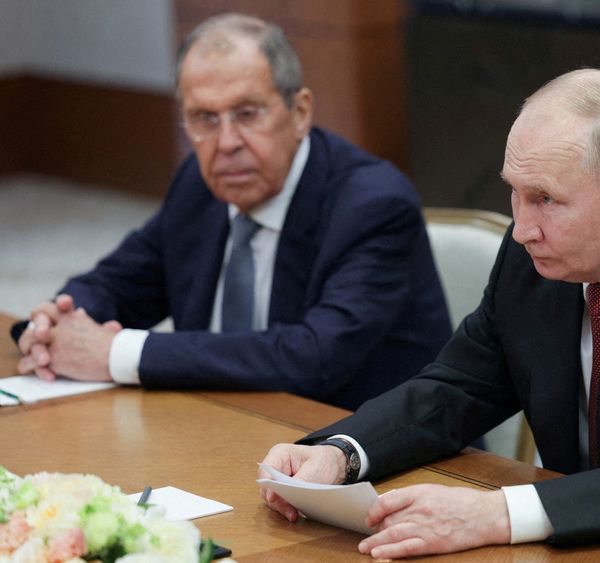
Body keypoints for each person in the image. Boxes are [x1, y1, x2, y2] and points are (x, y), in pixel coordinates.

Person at [258, 68, 600, 558]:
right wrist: (341, 456)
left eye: (545, 198)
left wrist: (499, 511)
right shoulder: (536, 258)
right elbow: (458, 388)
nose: (521, 228)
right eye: (514, 193)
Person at [10, 13, 452, 411]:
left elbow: (313, 357)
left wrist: (117, 353)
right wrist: (59, 322)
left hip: (380, 461)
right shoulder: (199, 186)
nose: (226, 144)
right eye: (204, 118)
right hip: (226, 431)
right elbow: (119, 282)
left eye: (247, 113)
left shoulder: (373, 205)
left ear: (300, 112)